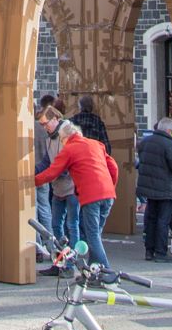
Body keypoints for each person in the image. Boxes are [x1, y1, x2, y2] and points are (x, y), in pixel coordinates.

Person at [35, 107, 120, 270]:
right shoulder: (96, 144)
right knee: (94, 235)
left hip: (90, 196)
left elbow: (52, 172)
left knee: (90, 234)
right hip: (107, 195)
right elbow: (113, 167)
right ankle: (94, 268)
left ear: (65, 137)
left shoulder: (69, 149)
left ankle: (107, 272)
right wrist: (111, 186)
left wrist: (32, 181)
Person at [137, 118, 172, 262]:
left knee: (151, 219)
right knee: (163, 221)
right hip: (165, 188)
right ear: (169, 131)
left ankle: (149, 251)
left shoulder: (145, 142)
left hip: (149, 187)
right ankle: (160, 252)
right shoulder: (169, 143)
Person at [38, 99, 79, 259]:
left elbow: (66, 164)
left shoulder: (68, 133)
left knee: (72, 225)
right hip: (58, 189)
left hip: (71, 188)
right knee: (56, 226)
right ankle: (60, 260)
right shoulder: (49, 138)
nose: (44, 127)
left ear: (55, 119)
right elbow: (47, 161)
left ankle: (71, 261)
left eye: (45, 123)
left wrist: (49, 174)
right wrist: (35, 172)